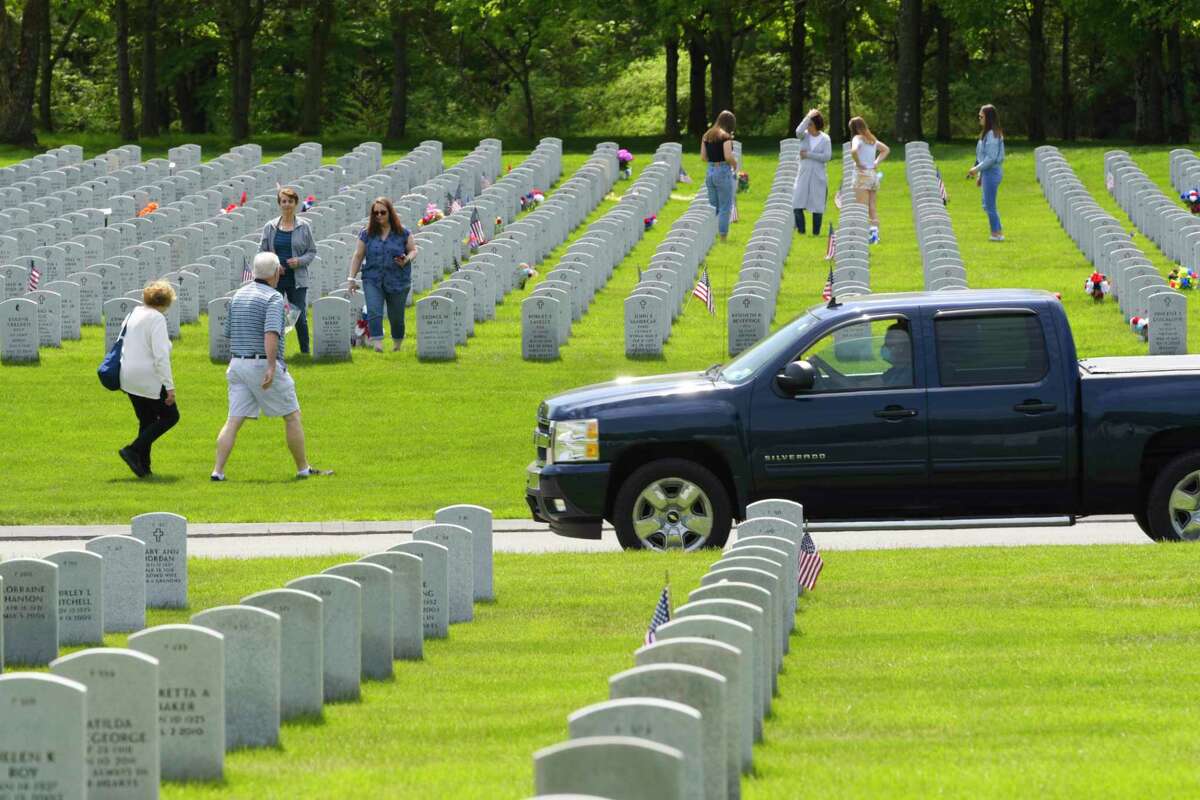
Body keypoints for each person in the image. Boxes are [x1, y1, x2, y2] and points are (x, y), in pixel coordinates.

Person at [211, 252, 332, 481]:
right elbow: (271, 333)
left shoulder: (238, 295)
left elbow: (228, 332)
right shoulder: (273, 298)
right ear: (276, 272)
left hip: (237, 363)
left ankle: (217, 471)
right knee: (292, 415)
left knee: (234, 419)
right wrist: (271, 366)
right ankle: (303, 468)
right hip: (261, 363)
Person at [117, 281, 179, 477]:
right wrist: (169, 386)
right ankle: (133, 450)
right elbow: (161, 356)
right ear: (166, 302)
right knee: (171, 416)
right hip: (147, 376)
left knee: (147, 420)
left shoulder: (133, 313)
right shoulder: (157, 319)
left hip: (127, 375)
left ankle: (144, 467)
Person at [347, 197, 417, 353]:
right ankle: (377, 345)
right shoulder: (366, 233)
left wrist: (406, 259)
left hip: (398, 279)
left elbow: (413, 250)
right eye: (375, 212)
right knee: (373, 311)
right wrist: (351, 278)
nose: (379, 215)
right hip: (372, 278)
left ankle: (397, 345)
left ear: (390, 212)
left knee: (396, 317)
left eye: (382, 212)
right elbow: (358, 255)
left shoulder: (402, 232)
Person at [260, 187, 317, 355]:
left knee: (299, 316)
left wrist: (299, 261)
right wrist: (273, 265)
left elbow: (312, 251)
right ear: (279, 204)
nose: (287, 205)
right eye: (283, 201)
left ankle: (305, 352)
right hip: (275, 278)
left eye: (290, 201)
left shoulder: (304, 227)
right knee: (273, 315)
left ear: (295, 203)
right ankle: (274, 352)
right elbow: (262, 251)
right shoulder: (270, 227)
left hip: (297, 279)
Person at [968, 104, 1006, 242]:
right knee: (986, 204)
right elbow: (981, 156)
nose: (979, 118)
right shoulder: (986, 133)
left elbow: (990, 158)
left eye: (981, 116)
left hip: (992, 171)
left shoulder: (992, 135)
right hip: (987, 173)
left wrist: (976, 169)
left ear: (988, 117)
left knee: (990, 204)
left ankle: (996, 233)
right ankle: (998, 230)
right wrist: (980, 175)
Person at [849, 116, 890, 241]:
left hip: (862, 175)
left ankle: (863, 236)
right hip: (872, 174)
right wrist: (876, 162)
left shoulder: (857, 138)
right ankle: (875, 235)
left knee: (861, 207)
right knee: (872, 207)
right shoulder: (872, 139)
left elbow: (854, 151)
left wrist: (858, 162)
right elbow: (886, 150)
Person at [792, 108, 832, 236]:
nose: (808, 126)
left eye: (810, 124)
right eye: (808, 124)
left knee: (817, 205)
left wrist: (808, 154)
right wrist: (808, 116)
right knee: (797, 203)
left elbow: (827, 157)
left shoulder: (825, 139)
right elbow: (798, 131)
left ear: (816, 125)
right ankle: (801, 231)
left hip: (818, 175)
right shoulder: (804, 136)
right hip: (803, 173)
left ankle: (816, 233)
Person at [700, 110, 738, 241]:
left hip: (710, 171)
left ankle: (712, 235)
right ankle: (722, 237)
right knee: (725, 207)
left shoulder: (706, 135)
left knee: (713, 206)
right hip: (722, 171)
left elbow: (703, 157)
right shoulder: (726, 137)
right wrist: (734, 164)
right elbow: (728, 156)